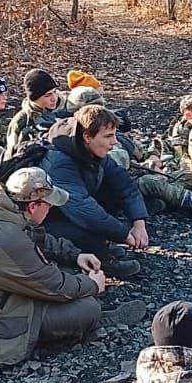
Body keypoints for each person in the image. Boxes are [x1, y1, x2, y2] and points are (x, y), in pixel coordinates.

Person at [0, 167, 146, 365]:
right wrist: (93, 285)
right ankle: (96, 321)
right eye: (48, 204)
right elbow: (54, 286)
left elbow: (41, 239)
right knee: (88, 307)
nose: (51, 208)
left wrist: (76, 256)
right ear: (33, 206)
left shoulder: (3, 212)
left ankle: (84, 316)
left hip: (0, 291)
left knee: (71, 274)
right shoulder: (6, 237)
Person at [65, 84, 192, 219]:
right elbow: (114, 169)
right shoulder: (81, 143)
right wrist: (141, 166)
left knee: (185, 176)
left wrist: (152, 157)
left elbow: (141, 150)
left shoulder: (116, 135)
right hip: (117, 188)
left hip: (136, 177)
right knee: (151, 183)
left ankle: (158, 202)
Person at [41, 105, 150, 278]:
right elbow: (84, 211)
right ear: (87, 137)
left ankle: (102, 244)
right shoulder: (58, 163)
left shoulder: (90, 150)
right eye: (108, 136)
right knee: (89, 227)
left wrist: (139, 223)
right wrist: (124, 235)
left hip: (67, 211)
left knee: (112, 189)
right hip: (45, 223)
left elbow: (124, 183)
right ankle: (101, 259)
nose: (115, 142)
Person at [6, 68, 62, 155]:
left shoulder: (65, 109)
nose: (54, 98)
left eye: (55, 92)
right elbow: (12, 153)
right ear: (34, 98)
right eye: (47, 95)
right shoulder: (21, 121)